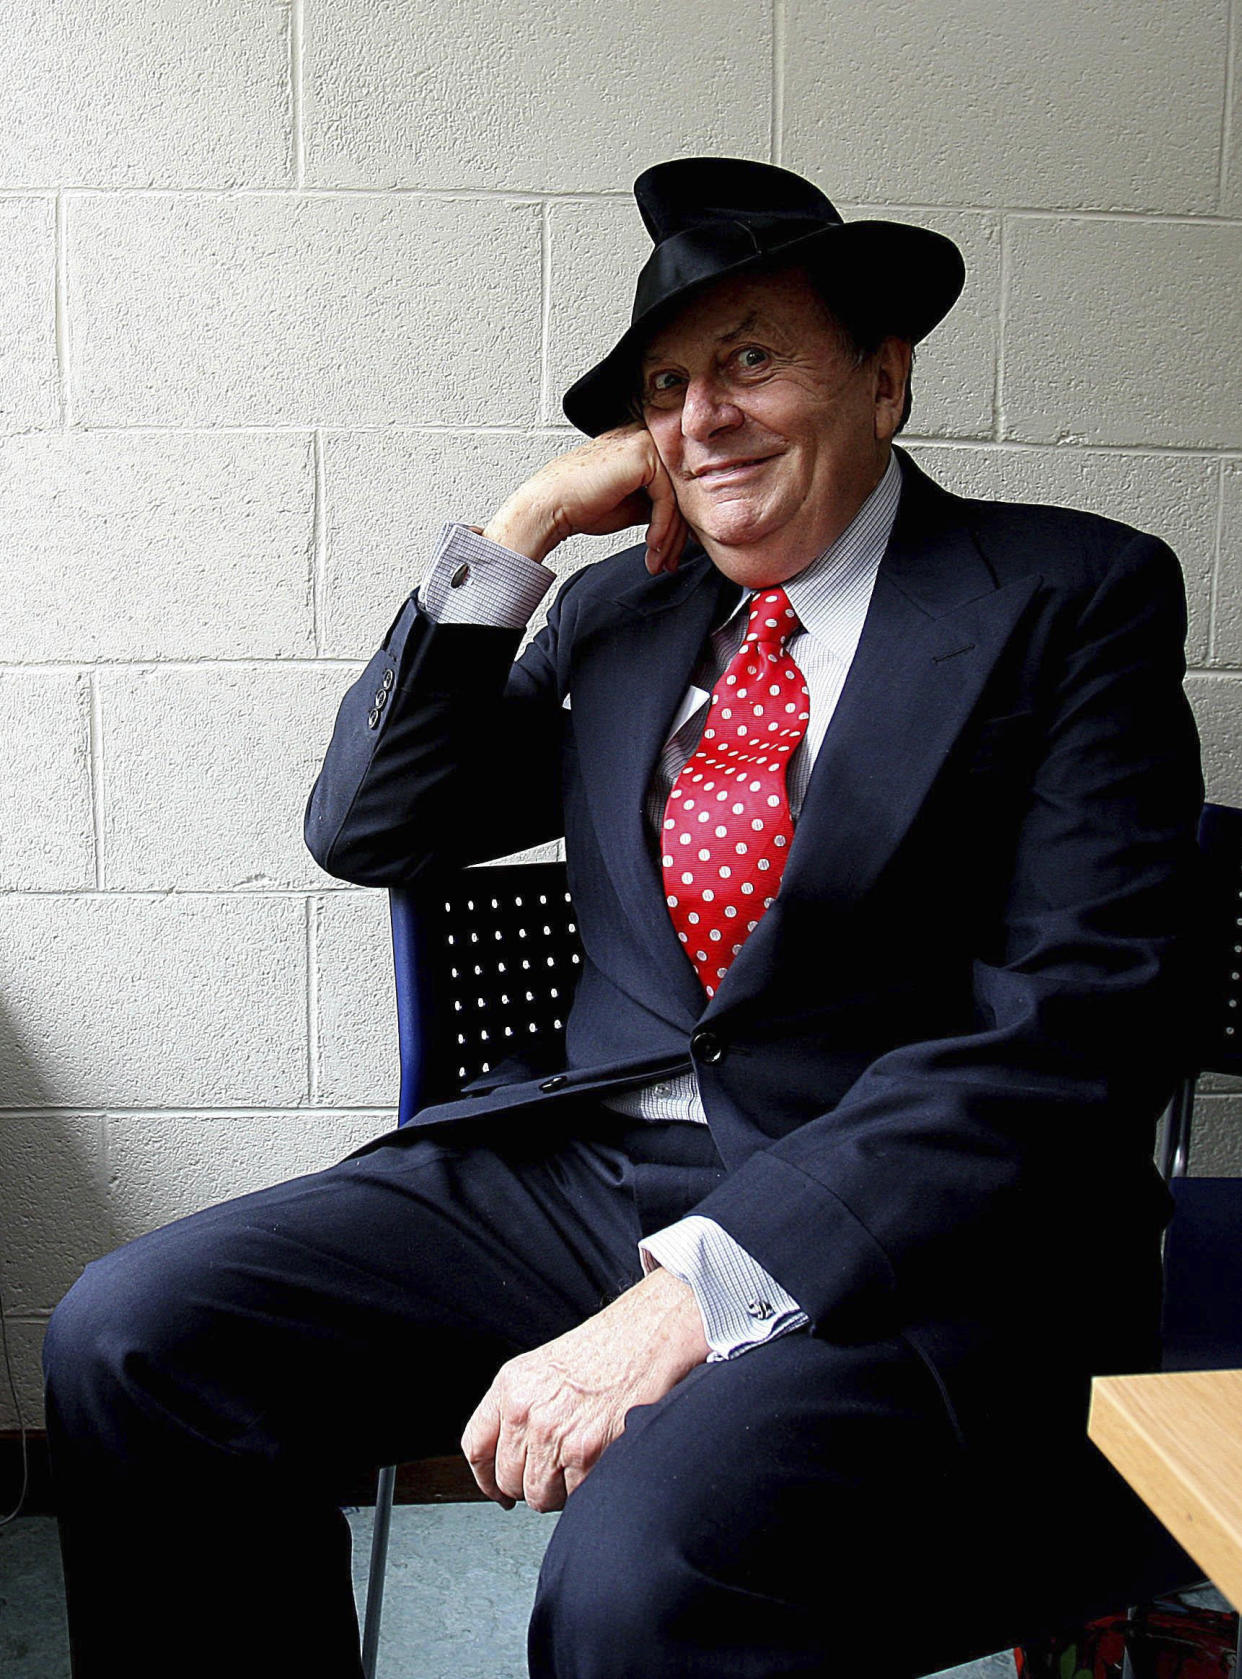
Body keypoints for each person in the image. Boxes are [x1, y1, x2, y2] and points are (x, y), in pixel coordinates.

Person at [44, 157, 1203, 1679]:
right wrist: (521, 534)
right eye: (665, 385)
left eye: (750, 359)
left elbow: (1076, 1025)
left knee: (637, 1580)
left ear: (883, 375)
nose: (702, 418)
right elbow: (372, 825)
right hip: (586, 1172)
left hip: (899, 1226)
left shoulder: (1067, 594)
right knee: (135, 1335)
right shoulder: (621, 615)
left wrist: (698, 1286)